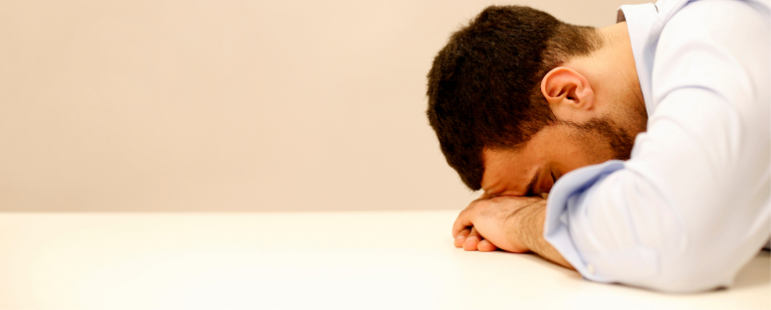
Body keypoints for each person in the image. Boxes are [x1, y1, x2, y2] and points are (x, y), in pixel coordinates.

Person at [426, 0, 769, 292]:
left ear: (569, 92)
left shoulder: (716, 32)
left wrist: (523, 221)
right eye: (538, 198)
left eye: (551, 181)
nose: (559, 200)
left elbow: (679, 237)